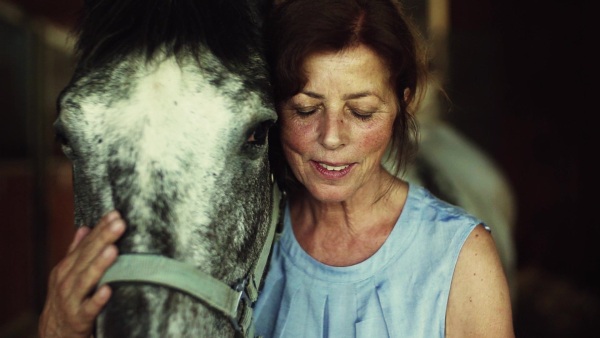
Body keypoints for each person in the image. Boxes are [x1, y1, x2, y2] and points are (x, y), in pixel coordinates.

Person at [39, 0, 515, 337]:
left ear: (402, 104)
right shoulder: (237, 245)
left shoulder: (463, 260)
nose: (331, 137)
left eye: (363, 111)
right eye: (305, 109)